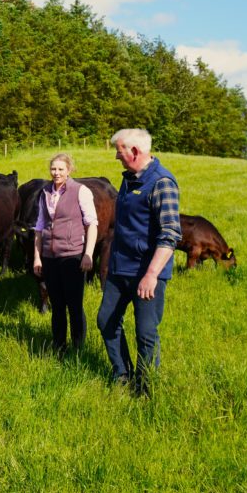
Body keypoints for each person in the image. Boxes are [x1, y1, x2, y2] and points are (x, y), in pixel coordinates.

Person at [96, 129, 181, 397]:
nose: (116, 155)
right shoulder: (128, 180)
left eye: (119, 150)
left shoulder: (162, 182)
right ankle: (122, 375)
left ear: (134, 151)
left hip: (147, 273)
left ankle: (146, 389)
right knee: (106, 321)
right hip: (120, 269)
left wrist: (152, 274)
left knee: (145, 333)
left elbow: (170, 234)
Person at [32, 153, 98, 356]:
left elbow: (91, 224)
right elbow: (40, 226)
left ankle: (78, 348)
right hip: (50, 256)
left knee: (74, 304)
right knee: (57, 304)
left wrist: (88, 254)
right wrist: (37, 256)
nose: (56, 173)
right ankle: (59, 346)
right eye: (53, 169)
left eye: (61, 169)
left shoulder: (81, 191)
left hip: (72, 255)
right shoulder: (44, 192)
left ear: (69, 170)